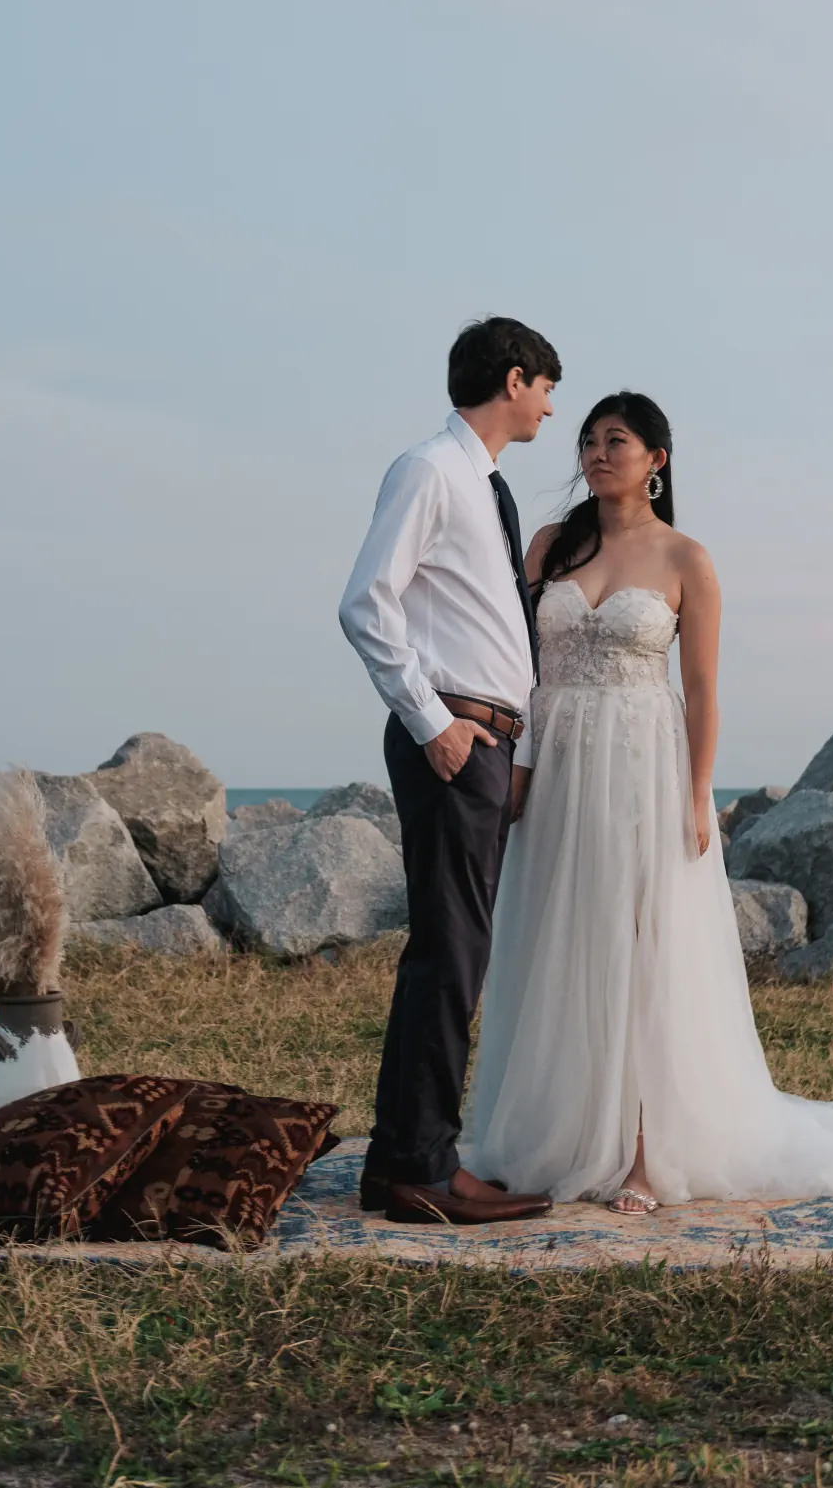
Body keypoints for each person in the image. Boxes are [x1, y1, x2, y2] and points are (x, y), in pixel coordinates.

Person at [460, 392, 833, 1213]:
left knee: (640, 947)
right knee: (559, 940)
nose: (598, 453)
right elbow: (514, 665)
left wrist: (698, 792)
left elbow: (703, 691)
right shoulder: (546, 546)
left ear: (656, 460)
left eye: (618, 440)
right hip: (557, 762)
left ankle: (643, 1153)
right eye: (589, 440)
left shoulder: (686, 560)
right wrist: (518, 765)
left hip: (643, 765)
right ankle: (552, 1129)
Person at [336, 316, 564, 1226]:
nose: (551, 404)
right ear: (514, 379)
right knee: (449, 954)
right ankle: (418, 1170)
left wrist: (516, 744)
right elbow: (366, 602)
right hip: (453, 740)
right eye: (547, 386)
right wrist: (436, 724)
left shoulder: (483, 483)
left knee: (454, 954)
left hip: (485, 744)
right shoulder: (430, 470)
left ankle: (412, 1157)